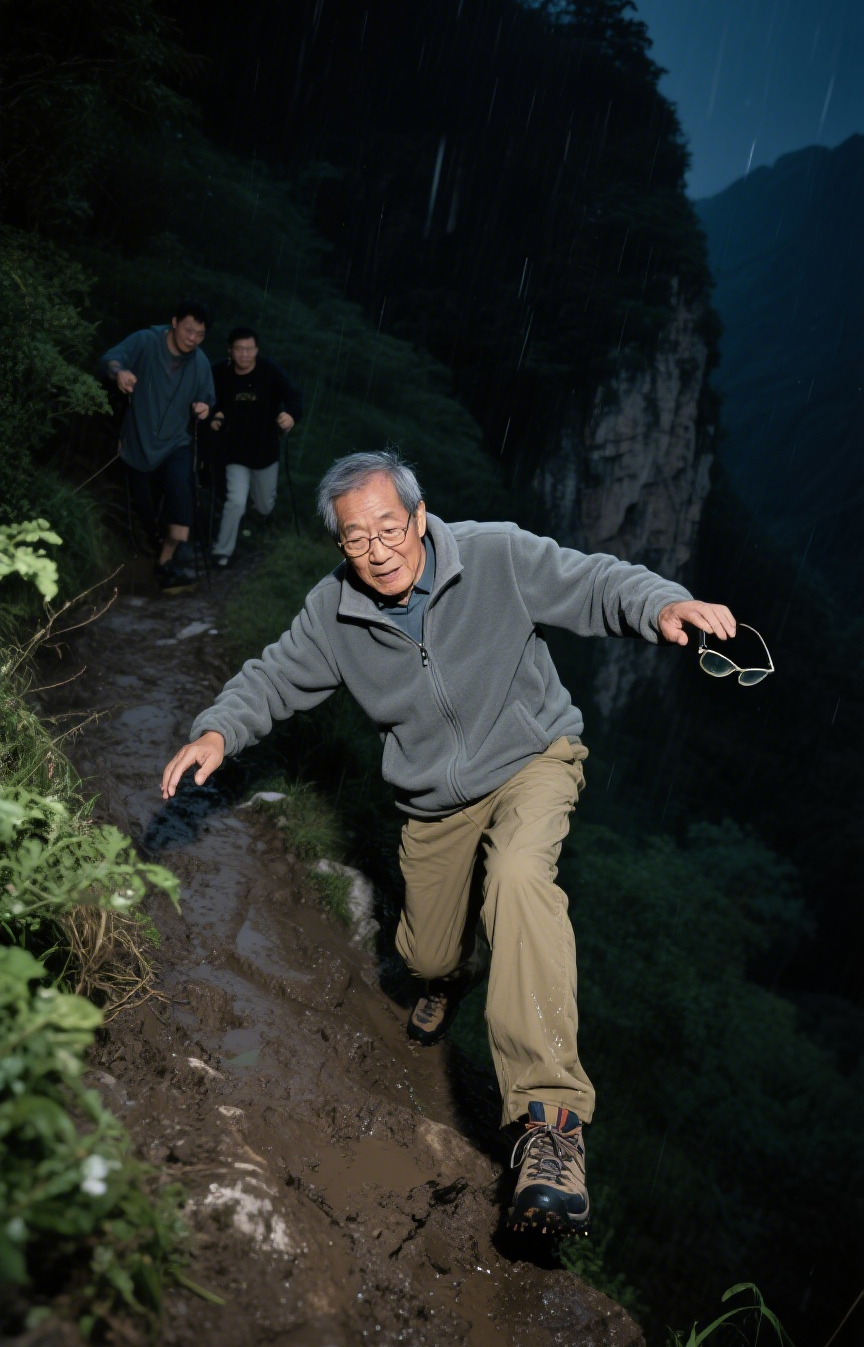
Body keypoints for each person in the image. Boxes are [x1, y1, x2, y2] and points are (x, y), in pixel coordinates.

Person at [160, 450, 737, 1233]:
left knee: (519, 881)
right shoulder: (335, 611)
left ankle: (550, 1127)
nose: (379, 549)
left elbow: (596, 580)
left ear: (420, 516)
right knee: (427, 957)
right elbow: (273, 676)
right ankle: (452, 975)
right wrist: (219, 729)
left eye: (390, 527)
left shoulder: (494, 555)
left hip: (533, 760)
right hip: (433, 802)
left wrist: (663, 605)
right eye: (357, 539)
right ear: (340, 547)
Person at [100, 300, 215, 589]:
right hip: (138, 441)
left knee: (181, 489)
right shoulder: (147, 341)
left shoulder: (199, 362)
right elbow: (111, 358)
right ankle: (154, 544)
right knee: (144, 506)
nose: (193, 339)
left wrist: (204, 408)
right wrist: (120, 373)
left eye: (200, 334)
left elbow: (208, 399)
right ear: (174, 322)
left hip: (176, 442)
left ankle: (168, 559)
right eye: (189, 331)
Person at [208, 328, 303, 566]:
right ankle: (222, 552)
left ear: (257, 350)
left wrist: (290, 415)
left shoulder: (270, 372)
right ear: (230, 351)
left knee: (264, 506)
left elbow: (294, 396)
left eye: (249, 349)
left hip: (265, 454)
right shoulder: (219, 372)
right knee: (235, 501)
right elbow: (204, 397)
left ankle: (251, 516)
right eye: (239, 349)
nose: (244, 354)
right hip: (234, 453)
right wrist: (214, 414)